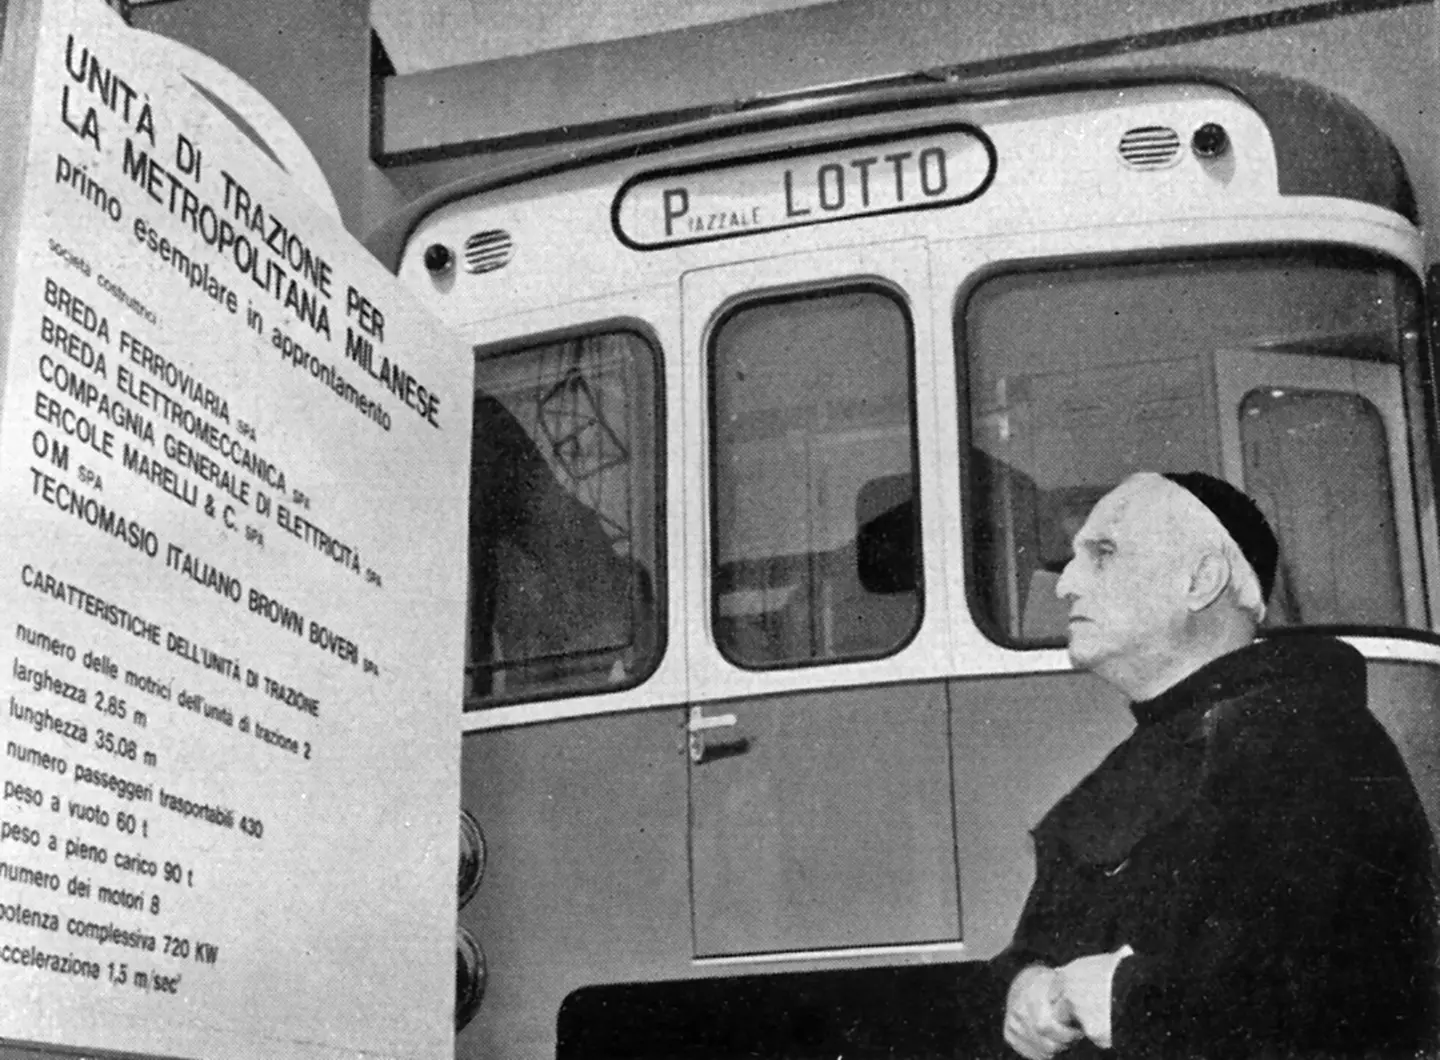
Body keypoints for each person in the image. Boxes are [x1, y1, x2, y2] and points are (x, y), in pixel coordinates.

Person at [989, 470, 1438, 1059]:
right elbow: (1045, 939)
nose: (1064, 584)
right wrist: (1023, 983)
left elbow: (1349, 998)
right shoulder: (1159, 747)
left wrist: (1131, 1003)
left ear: (1202, 580)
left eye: (1103, 553)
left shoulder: (1309, 741)